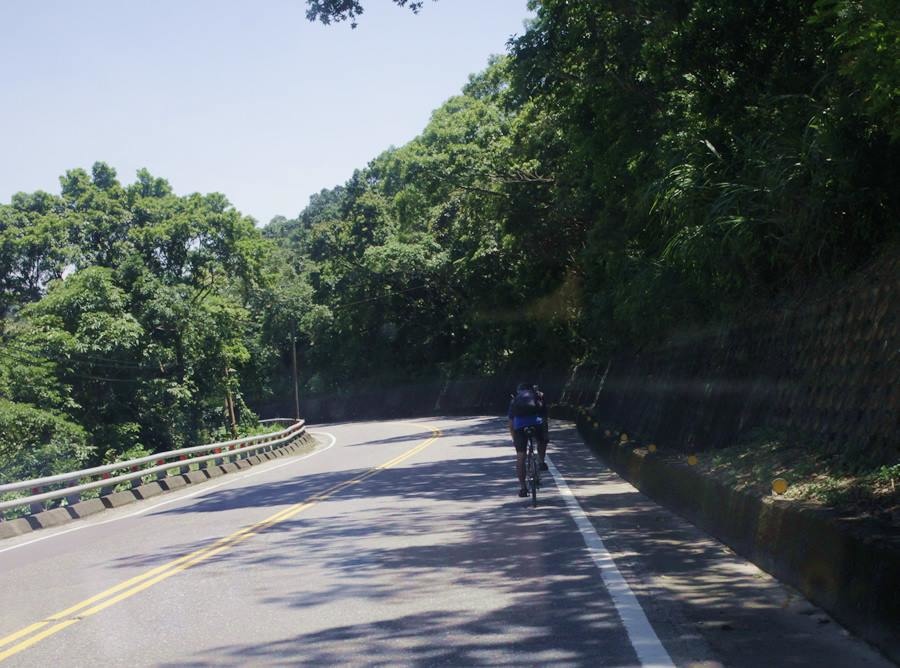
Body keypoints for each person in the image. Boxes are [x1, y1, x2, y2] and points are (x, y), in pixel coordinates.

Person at [508, 382, 549, 497]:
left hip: (520, 427)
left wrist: (514, 438)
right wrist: (544, 435)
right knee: (542, 440)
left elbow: (511, 423)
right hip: (537, 424)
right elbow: (545, 417)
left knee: (521, 456)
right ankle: (541, 462)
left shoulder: (515, 400)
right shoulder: (538, 396)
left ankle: (523, 488)